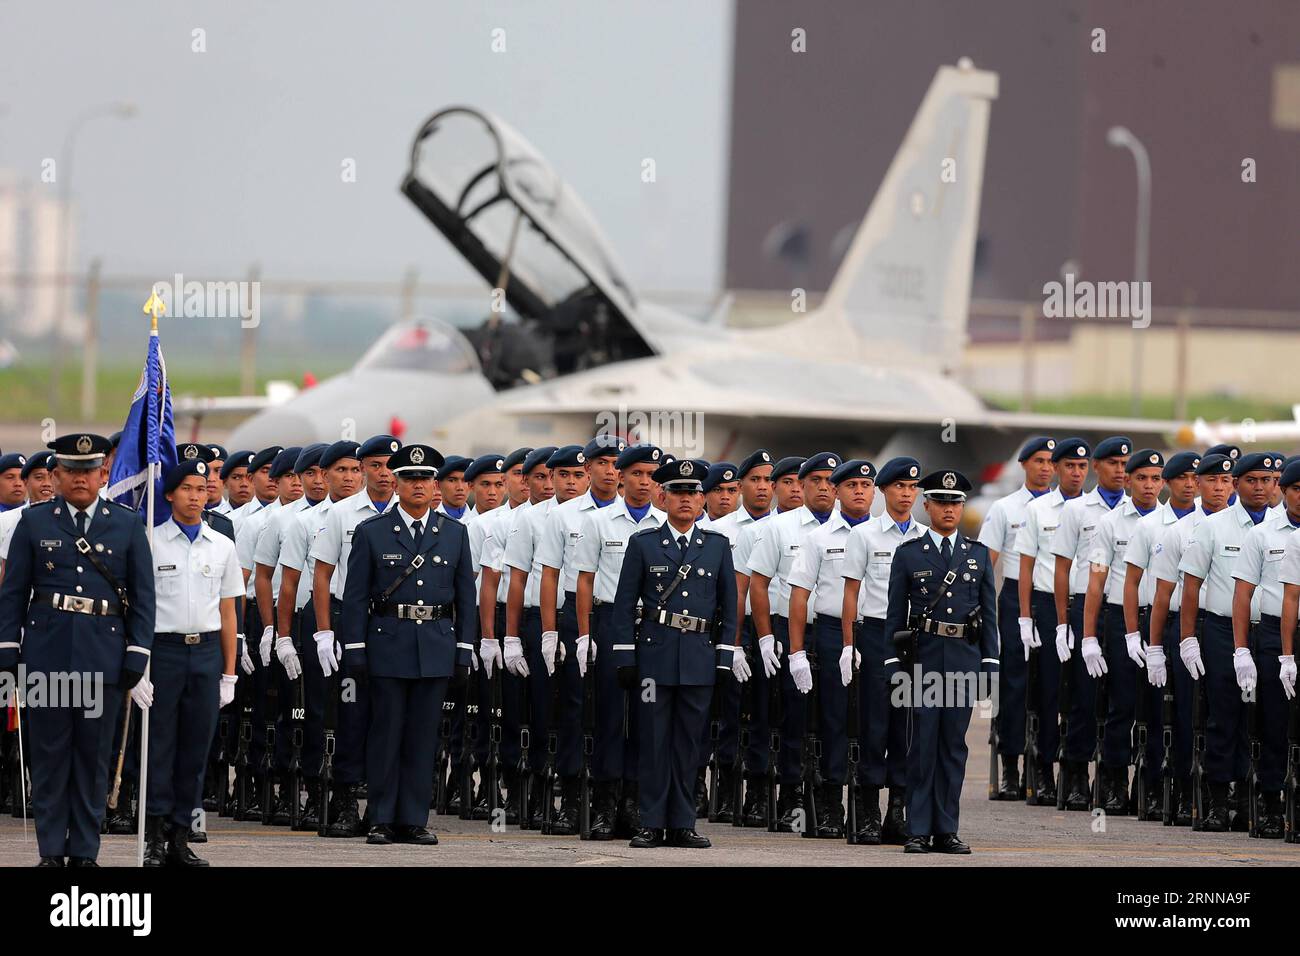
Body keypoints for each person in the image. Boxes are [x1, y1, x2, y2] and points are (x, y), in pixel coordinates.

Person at [0, 433, 155, 867]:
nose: (80, 479)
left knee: (92, 759)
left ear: (103, 474)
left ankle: (85, 851)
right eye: (70, 471)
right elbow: (13, 593)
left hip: (103, 658)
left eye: (89, 470)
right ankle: (51, 850)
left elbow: (143, 598)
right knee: (49, 758)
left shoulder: (125, 525)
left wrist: (138, 653)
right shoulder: (35, 522)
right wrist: (8, 648)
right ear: (55, 475)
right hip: (47, 657)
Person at [341, 443, 476, 846]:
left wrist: (464, 650)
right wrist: (355, 651)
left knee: (422, 736)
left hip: (435, 646)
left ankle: (414, 819)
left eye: (424, 478)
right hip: (388, 644)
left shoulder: (454, 534)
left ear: (434, 484)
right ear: (396, 483)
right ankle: (381, 817)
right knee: (386, 734)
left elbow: (464, 597)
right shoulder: (372, 532)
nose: (418, 485)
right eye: (409, 478)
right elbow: (355, 597)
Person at [611, 456, 737, 848]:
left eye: (693, 493)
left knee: (689, 745)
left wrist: (724, 656)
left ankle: (683, 823)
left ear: (702, 500)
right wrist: (625, 657)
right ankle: (650, 821)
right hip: (653, 660)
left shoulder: (716, 547)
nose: (686, 500)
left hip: (698, 658)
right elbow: (623, 604)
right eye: (678, 492)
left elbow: (730, 607)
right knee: (652, 741)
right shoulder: (644, 544)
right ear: (662, 498)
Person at [883, 469, 998, 854]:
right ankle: (917, 828)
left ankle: (946, 828)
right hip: (923, 663)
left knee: (953, 747)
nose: (949, 509)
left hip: (964, 661)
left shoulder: (977, 554)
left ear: (962, 507)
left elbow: (989, 616)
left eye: (955, 502)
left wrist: (990, 665)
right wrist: (892, 666)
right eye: (941, 502)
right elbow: (895, 614)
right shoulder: (909, 554)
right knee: (921, 746)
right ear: (926, 505)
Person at [138, 459, 243, 866]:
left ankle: (181, 838)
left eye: (202, 489)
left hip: (205, 653)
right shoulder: (150, 541)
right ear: (169, 494)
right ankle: (154, 838)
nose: (196, 496)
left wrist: (229, 673)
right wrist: (139, 667)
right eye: (187, 489)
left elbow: (229, 611)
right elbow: (141, 608)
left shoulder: (222, 546)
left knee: (195, 749)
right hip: (162, 652)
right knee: (158, 748)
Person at [1176, 451, 1279, 831]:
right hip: (1220, 630)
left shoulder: (1285, 527)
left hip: (1268, 631)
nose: (1259, 487)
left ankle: (1266, 802)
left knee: (1269, 717)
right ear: (1237, 484)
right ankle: (1219, 799)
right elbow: (1190, 586)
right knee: (1224, 712)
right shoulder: (1214, 527)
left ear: (1276, 486)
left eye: (1266, 481)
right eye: (1251, 480)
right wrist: (1188, 638)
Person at [309, 434, 400, 836]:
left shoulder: (411, 511)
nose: (385, 474)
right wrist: (326, 631)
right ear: (362, 469)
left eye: (391, 467)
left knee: (390, 715)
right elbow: (323, 575)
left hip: (396, 625)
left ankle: (383, 805)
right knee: (351, 711)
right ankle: (345, 800)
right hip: (352, 621)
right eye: (376, 466)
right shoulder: (343, 514)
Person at [574, 442, 665, 836]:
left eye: (651, 475)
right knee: (610, 717)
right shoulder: (599, 522)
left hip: (656, 627)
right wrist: (583, 635)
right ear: (622, 477)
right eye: (637, 474)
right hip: (611, 621)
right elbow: (584, 580)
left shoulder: (664, 523)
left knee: (647, 718)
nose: (644, 482)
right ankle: (605, 806)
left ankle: (636, 805)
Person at [747, 452, 840, 830]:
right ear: (800, 485)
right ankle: (791, 795)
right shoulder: (779, 528)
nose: (822, 487)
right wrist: (766, 636)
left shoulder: (850, 529)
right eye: (814, 480)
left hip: (834, 631)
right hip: (790, 630)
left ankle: (830, 794)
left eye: (829, 481)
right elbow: (758, 583)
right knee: (794, 714)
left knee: (834, 715)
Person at [274, 440, 362, 831]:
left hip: (362, 619)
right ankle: (314, 792)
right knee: (318, 710)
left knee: (356, 709)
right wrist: (284, 636)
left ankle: (347, 796)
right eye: (340, 470)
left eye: (354, 470)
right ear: (324, 475)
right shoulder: (305, 522)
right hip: (322, 618)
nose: (348, 477)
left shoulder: (376, 517)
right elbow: (289, 584)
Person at [840, 456, 927, 841]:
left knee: (907, 725)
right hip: (875, 634)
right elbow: (851, 593)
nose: (906, 494)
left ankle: (899, 808)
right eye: (898, 488)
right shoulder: (866, 536)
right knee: (874, 724)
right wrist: (848, 645)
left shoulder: (924, 538)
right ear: (883, 492)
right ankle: (867, 807)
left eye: (912, 488)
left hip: (915, 638)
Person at [787, 458, 875, 837]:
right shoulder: (818, 539)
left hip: (876, 632)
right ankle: (829, 804)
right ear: (838, 492)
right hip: (828, 632)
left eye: (865, 486)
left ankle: (871, 806)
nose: (859, 491)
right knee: (833, 721)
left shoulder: (892, 536)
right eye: (851, 485)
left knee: (874, 722)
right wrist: (796, 653)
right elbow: (799, 597)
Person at [1146, 452, 1234, 825]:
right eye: (1211, 480)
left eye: (1226, 481)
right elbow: (1163, 595)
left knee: (1228, 714)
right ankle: (1184, 791)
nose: (1219, 487)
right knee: (1187, 714)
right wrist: (1155, 647)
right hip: (1188, 626)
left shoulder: (1245, 529)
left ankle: (1229, 792)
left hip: (1231, 628)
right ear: (1198, 484)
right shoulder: (1178, 532)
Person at [1080, 449, 1165, 813]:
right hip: (1119, 620)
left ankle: (1153, 782)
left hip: (1160, 619)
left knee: (1159, 706)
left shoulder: (1172, 522)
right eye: (1142, 478)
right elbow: (1096, 583)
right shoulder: (1110, 524)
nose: (1149, 485)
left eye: (1156, 478)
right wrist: (1088, 636)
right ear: (1128, 480)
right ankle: (1114, 780)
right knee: (1122, 703)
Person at [1050, 435, 1130, 809]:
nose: (1119, 470)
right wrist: (1064, 623)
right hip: (1085, 606)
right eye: (1112, 463)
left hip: (1122, 610)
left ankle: (1114, 779)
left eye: (1124, 464)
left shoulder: (1136, 511)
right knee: (1082, 695)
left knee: (1121, 698)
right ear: (1096, 467)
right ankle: (1076, 775)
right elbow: (1062, 568)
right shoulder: (1078, 510)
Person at [1120, 450, 1200, 818]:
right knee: (1155, 711)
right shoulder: (1150, 526)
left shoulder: (1206, 524)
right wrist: (1136, 635)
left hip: (1197, 624)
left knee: (1190, 712)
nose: (1189, 483)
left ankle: (1186, 790)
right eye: (1181, 477)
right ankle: (1151, 787)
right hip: (1161, 622)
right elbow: (1133, 583)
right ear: (1169, 482)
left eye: (1194, 477)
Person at [979, 436, 1054, 800]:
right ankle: (1011, 765)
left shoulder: (1066, 509)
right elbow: (985, 562)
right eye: (1037, 460)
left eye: (1050, 461)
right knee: (1014, 683)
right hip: (1012, 598)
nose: (1045, 467)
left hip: (1054, 598)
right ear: (1023, 465)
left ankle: (1043, 768)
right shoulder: (1005, 509)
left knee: (1050, 686)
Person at [704, 449, 774, 826]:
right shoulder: (717, 532)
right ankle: (727, 789)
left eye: (768, 481)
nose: (761, 488)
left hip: (771, 628)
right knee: (728, 711)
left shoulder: (783, 528)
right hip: (728, 627)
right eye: (754, 481)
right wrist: (730, 641)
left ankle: (760, 792)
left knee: (764, 712)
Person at [1233, 456, 1300, 837]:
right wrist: (1242, 649)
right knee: (1274, 721)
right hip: (1274, 633)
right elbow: (1243, 596)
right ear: (1283, 492)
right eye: (1295, 489)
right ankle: (1271, 801)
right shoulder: (1262, 535)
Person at [498, 445, 559, 826]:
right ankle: (529, 793)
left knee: (571, 715)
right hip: (535, 621)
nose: (552, 483)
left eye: (568, 475)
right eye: (544, 476)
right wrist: (508, 638)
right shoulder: (527, 520)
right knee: (532, 713)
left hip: (585, 621)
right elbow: (511, 584)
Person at [474, 446, 533, 822]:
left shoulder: (551, 519)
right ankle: (500, 787)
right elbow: (476, 584)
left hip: (541, 620)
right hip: (499, 618)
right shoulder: (489, 524)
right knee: (500, 711)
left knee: (539, 713)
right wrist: (488, 637)